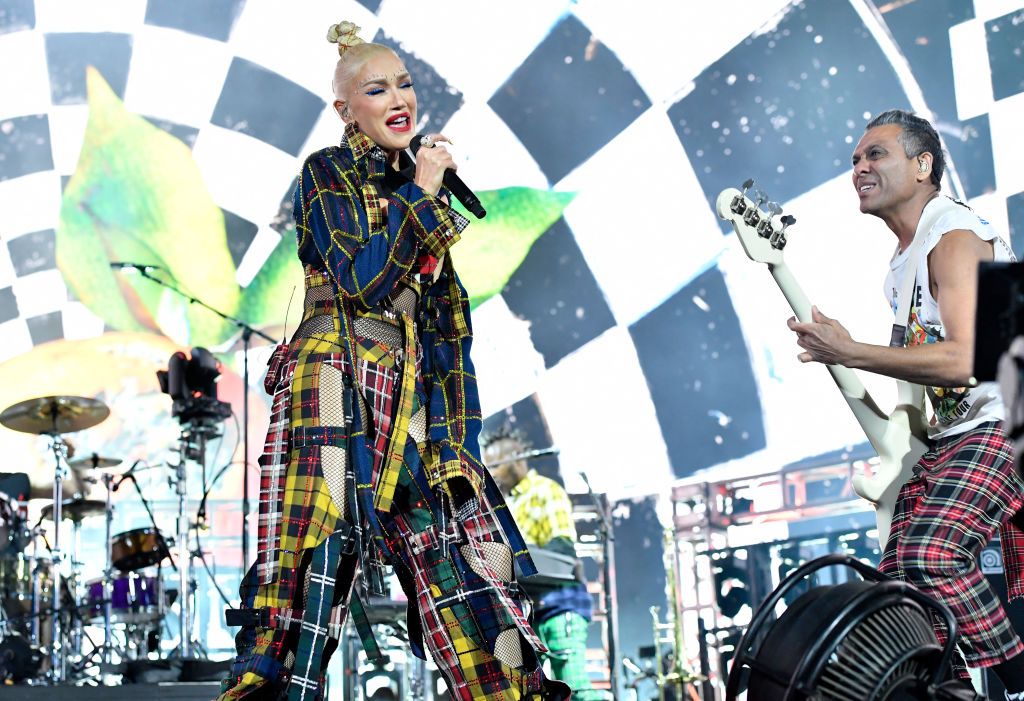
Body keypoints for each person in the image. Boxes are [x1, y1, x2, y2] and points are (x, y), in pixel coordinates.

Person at [218, 21, 569, 701]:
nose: (399, 98)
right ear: (346, 108)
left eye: (404, 82)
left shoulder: (420, 190)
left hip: (409, 395)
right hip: (335, 376)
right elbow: (361, 281)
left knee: (460, 560)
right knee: (309, 559)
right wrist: (423, 190)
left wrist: (455, 444)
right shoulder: (328, 172)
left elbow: (447, 334)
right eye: (376, 88)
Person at [788, 108, 1022, 697]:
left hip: (1006, 421)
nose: (859, 168)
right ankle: (960, 688)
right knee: (898, 590)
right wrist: (846, 354)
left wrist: (850, 351)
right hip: (960, 435)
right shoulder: (902, 264)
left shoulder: (956, 237)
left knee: (932, 556)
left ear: (923, 166)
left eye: (876, 155)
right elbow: (924, 385)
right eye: (855, 160)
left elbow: (971, 358)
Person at [481, 425, 595, 699]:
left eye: (495, 465)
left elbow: (561, 549)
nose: (491, 473)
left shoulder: (546, 491)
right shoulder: (504, 503)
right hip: (527, 611)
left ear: (517, 457)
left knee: (574, 685)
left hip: (559, 604)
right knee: (530, 690)